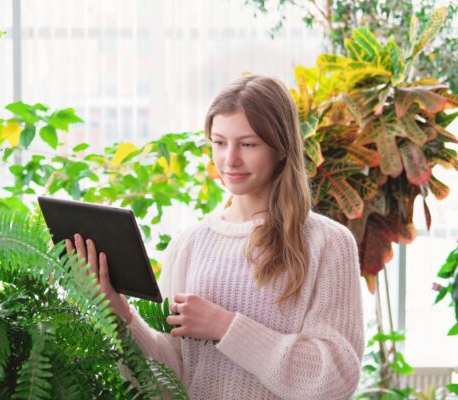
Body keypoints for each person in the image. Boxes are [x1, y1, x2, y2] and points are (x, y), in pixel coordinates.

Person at [65, 75, 364, 400]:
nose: (229, 160)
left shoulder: (328, 243)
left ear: (281, 148)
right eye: (219, 143)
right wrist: (120, 314)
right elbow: (168, 381)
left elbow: (334, 379)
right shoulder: (190, 244)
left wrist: (225, 327)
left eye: (248, 144)